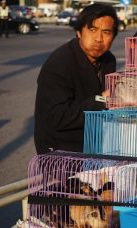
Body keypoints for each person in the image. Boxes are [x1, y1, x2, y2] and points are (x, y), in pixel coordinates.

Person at [34, 3, 119, 154]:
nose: (99, 39)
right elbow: (56, 116)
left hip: (94, 144)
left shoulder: (108, 59)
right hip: (60, 150)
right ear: (79, 32)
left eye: (106, 32)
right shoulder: (60, 63)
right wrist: (101, 100)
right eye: (92, 30)